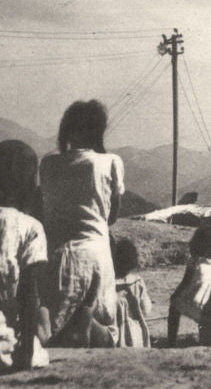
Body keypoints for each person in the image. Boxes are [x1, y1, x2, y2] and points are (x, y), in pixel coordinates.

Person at [39, 99, 123, 346]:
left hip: (55, 255)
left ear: (66, 129)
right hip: (96, 252)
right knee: (106, 328)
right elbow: (113, 216)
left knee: (52, 330)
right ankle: (84, 323)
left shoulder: (48, 163)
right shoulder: (110, 162)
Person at [0, 141, 50, 372]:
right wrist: (25, 354)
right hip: (1, 343)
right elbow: (28, 294)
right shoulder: (31, 227)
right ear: (33, 187)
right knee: (39, 346)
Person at [168, 227, 211, 347]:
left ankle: (171, 341)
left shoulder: (195, 261)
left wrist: (174, 296)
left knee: (174, 306)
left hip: (198, 305)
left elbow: (184, 284)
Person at [111, 237, 152, 347]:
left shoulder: (108, 284)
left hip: (114, 334)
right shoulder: (137, 282)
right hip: (135, 332)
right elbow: (146, 310)